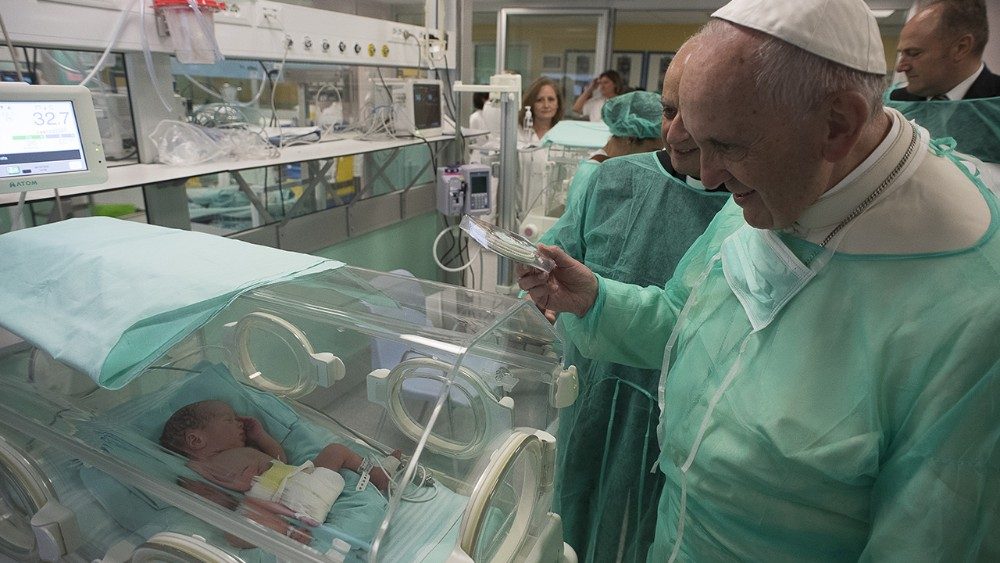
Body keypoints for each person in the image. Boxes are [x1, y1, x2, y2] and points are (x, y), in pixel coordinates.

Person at [518, 0, 1000, 560]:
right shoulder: (776, 186)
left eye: (725, 146)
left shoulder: (970, 306)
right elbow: (685, 320)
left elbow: (928, 542)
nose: (706, 175)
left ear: (837, 125)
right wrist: (597, 300)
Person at [539, 39, 729, 563]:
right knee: (576, 496)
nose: (676, 132)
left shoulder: (747, 212)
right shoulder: (612, 181)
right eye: (669, 112)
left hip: (679, 403)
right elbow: (560, 260)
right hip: (594, 381)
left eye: (695, 114)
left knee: (653, 521)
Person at [160, 400, 397, 530]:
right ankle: (291, 534)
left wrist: (261, 436)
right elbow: (205, 494)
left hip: (299, 482)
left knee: (335, 451)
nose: (239, 423)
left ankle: (378, 475)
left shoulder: (243, 451)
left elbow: (280, 461)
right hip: (277, 504)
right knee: (244, 521)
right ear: (195, 439)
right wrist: (234, 490)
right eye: (229, 420)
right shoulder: (198, 465)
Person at [890, 0, 1000, 101]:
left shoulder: (995, 103)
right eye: (902, 53)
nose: (900, 67)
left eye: (914, 53)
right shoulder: (898, 101)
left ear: (961, 48)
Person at [519, 77, 564, 143]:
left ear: (558, 104)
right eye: (539, 100)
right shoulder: (518, 132)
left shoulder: (563, 134)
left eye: (551, 99)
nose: (546, 105)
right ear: (530, 103)